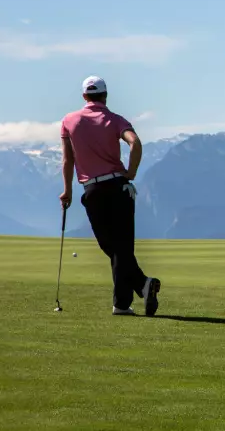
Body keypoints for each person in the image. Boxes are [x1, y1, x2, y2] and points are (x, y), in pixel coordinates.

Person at [59, 75, 160, 316]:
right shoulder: (116, 120)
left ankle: (123, 303)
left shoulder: (68, 121)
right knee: (120, 248)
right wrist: (131, 173)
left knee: (112, 247)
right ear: (105, 96)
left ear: (84, 96)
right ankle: (142, 286)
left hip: (91, 191)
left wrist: (67, 190)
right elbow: (135, 143)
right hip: (118, 188)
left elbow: (68, 160)